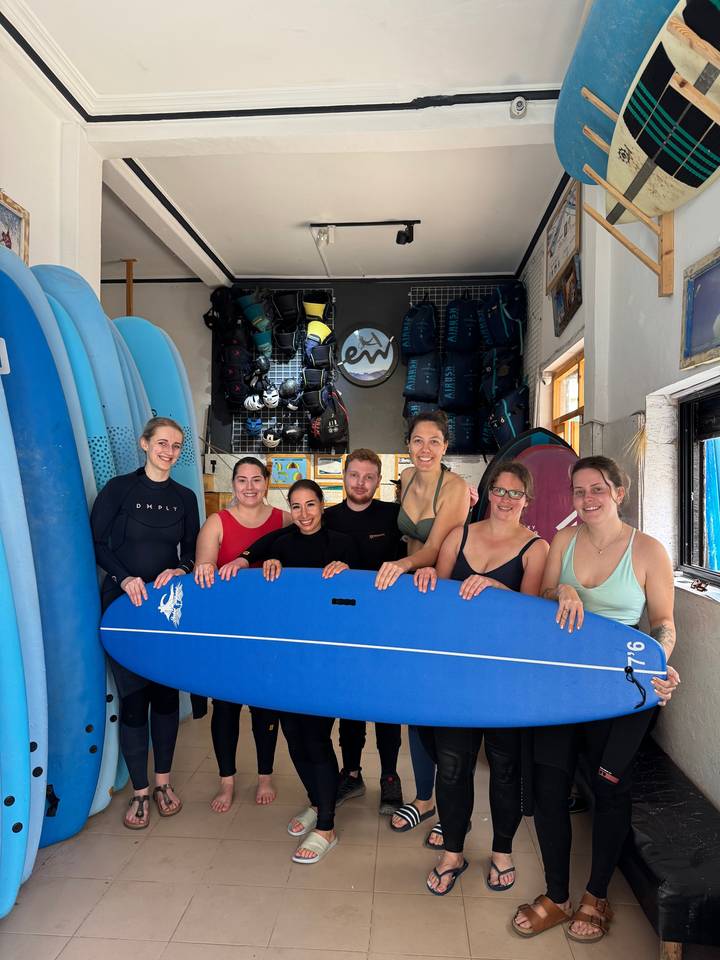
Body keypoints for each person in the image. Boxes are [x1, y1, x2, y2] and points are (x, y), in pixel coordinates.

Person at [512, 456, 680, 943]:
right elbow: (541, 597)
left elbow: (664, 625)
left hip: (621, 690)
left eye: (597, 489)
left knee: (610, 788)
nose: (587, 500)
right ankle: (558, 895)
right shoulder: (562, 541)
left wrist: (659, 666)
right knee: (549, 787)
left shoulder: (648, 550)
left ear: (619, 492)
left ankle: (596, 895)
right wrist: (561, 587)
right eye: (579, 491)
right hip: (563, 684)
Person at [412, 461, 548, 895]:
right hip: (457, 672)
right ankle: (453, 851)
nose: (506, 499)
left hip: (505, 678)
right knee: (452, 768)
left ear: (527, 500)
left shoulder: (535, 548)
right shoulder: (460, 535)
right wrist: (429, 573)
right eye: (500, 491)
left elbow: (533, 619)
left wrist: (500, 590)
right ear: (488, 493)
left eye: (516, 493)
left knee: (505, 769)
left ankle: (502, 850)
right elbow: (435, 597)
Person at [233, 479, 360, 864]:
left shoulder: (342, 543)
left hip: (325, 660)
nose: (304, 514)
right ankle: (316, 801)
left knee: (317, 738)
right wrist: (261, 564)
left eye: (311, 505)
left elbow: (365, 598)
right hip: (287, 659)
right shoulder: (281, 541)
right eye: (296, 506)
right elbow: (242, 560)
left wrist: (349, 571)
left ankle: (327, 824)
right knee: (293, 735)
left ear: (323, 505)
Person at [91, 417, 200, 829]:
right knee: (134, 699)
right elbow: (98, 542)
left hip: (165, 608)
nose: (169, 452)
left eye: (176, 446)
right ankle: (139, 793)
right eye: (162, 443)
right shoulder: (120, 490)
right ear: (144, 443)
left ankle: (163, 784)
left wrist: (180, 569)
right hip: (123, 606)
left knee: (166, 696)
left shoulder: (184, 497)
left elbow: (190, 548)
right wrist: (125, 578)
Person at [379, 411, 470, 836]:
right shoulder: (405, 480)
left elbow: (435, 549)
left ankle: (449, 805)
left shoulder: (453, 488)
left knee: (440, 702)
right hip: (407, 596)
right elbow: (401, 536)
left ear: (446, 446)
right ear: (409, 444)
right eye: (418, 441)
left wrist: (397, 565)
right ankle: (424, 797)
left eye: (434, 441)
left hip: (439, 595)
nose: (425, 449)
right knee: (411, 700)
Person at [193, 457, 291, 812]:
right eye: (241, 480)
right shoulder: (217, 523)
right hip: (228, 634)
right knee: (227, 707)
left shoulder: (285, 519)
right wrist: (204, 568)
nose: (249, 487)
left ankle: (265, 775)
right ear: (232, 484)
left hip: (270, 632)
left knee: (266, 707)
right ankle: (227, 781)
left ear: (267, 482)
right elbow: (203, 571)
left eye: (256, 480)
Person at [323, 448, 405, 814]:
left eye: (369, 477)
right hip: (343, 628)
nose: (361, 483)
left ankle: (390, 776)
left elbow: (426, 547)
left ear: (378, 480)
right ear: (344, 476)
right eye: (354, 475)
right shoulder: (325, 518)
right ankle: (351, 772)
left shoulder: (393, 515)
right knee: (350, 705)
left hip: (387, 626)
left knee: (387, 705)